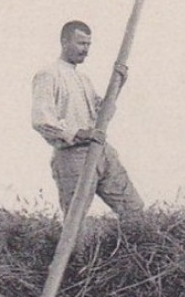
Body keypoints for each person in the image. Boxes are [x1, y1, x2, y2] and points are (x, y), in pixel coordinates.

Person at [31, 19, 146, 220]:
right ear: (65, 42)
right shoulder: (49, 75)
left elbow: (102, 113)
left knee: (134, 210)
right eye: (81, 44)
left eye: (88, 45)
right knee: (75, 222)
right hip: (72, 157)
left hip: (101, 152)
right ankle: (78, 253)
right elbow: (41, 119)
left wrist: (118, 85)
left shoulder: (84, 79)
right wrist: (78, 133)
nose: (86, 50)